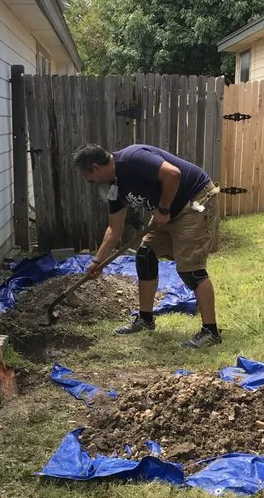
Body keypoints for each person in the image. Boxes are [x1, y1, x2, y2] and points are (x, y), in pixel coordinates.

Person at [73, 143, 222, 348]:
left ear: (96, 168)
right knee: (145, 255)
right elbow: (114, 229)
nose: (88, 181)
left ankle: (211, 332)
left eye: (86, 177)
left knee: (191, 269)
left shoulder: (133, 158)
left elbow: (172, 174)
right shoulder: (113, 188)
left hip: (194, 201)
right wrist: (98, 261)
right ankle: (145, 319)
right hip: (166, 212)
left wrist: (163, 208)